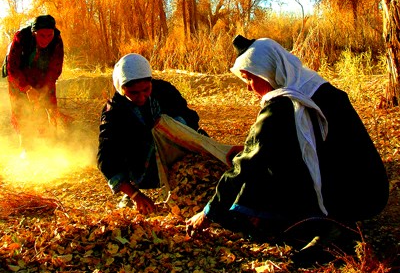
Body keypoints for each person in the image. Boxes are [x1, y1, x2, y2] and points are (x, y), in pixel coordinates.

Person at [186, 35, 389, 258]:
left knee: (258, 181)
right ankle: (333, 223)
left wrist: (208, 212)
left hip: (347, 198)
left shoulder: (281, 107)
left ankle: (330, 228)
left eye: (249, 79)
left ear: (268, 72)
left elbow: (245, 166)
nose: (249, 89)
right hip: (370, 189)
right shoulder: (318, 87)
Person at [97, 53, 212, 215]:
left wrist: (170, 127)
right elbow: (106, 160)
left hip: (177, 156)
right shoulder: (113, 112)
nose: (142, 97)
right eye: (134, 93)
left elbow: (191, 118)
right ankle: (130, 194)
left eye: (146, 90)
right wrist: (135, 195)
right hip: (143, 168)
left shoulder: (165, 91)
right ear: (122, 89)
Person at [5, 14, 65, 146]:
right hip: (19, 77)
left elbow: (55, 69)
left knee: (49, 110)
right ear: (34, 33)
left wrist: (43, 91)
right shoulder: (20, 38)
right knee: (21, 111)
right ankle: (25, 147)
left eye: (49, 35)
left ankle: (50, 144)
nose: (46, 39)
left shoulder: (57, 40)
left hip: (43, 77)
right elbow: (12, 69)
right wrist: (27, 88)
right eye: (42, 36)